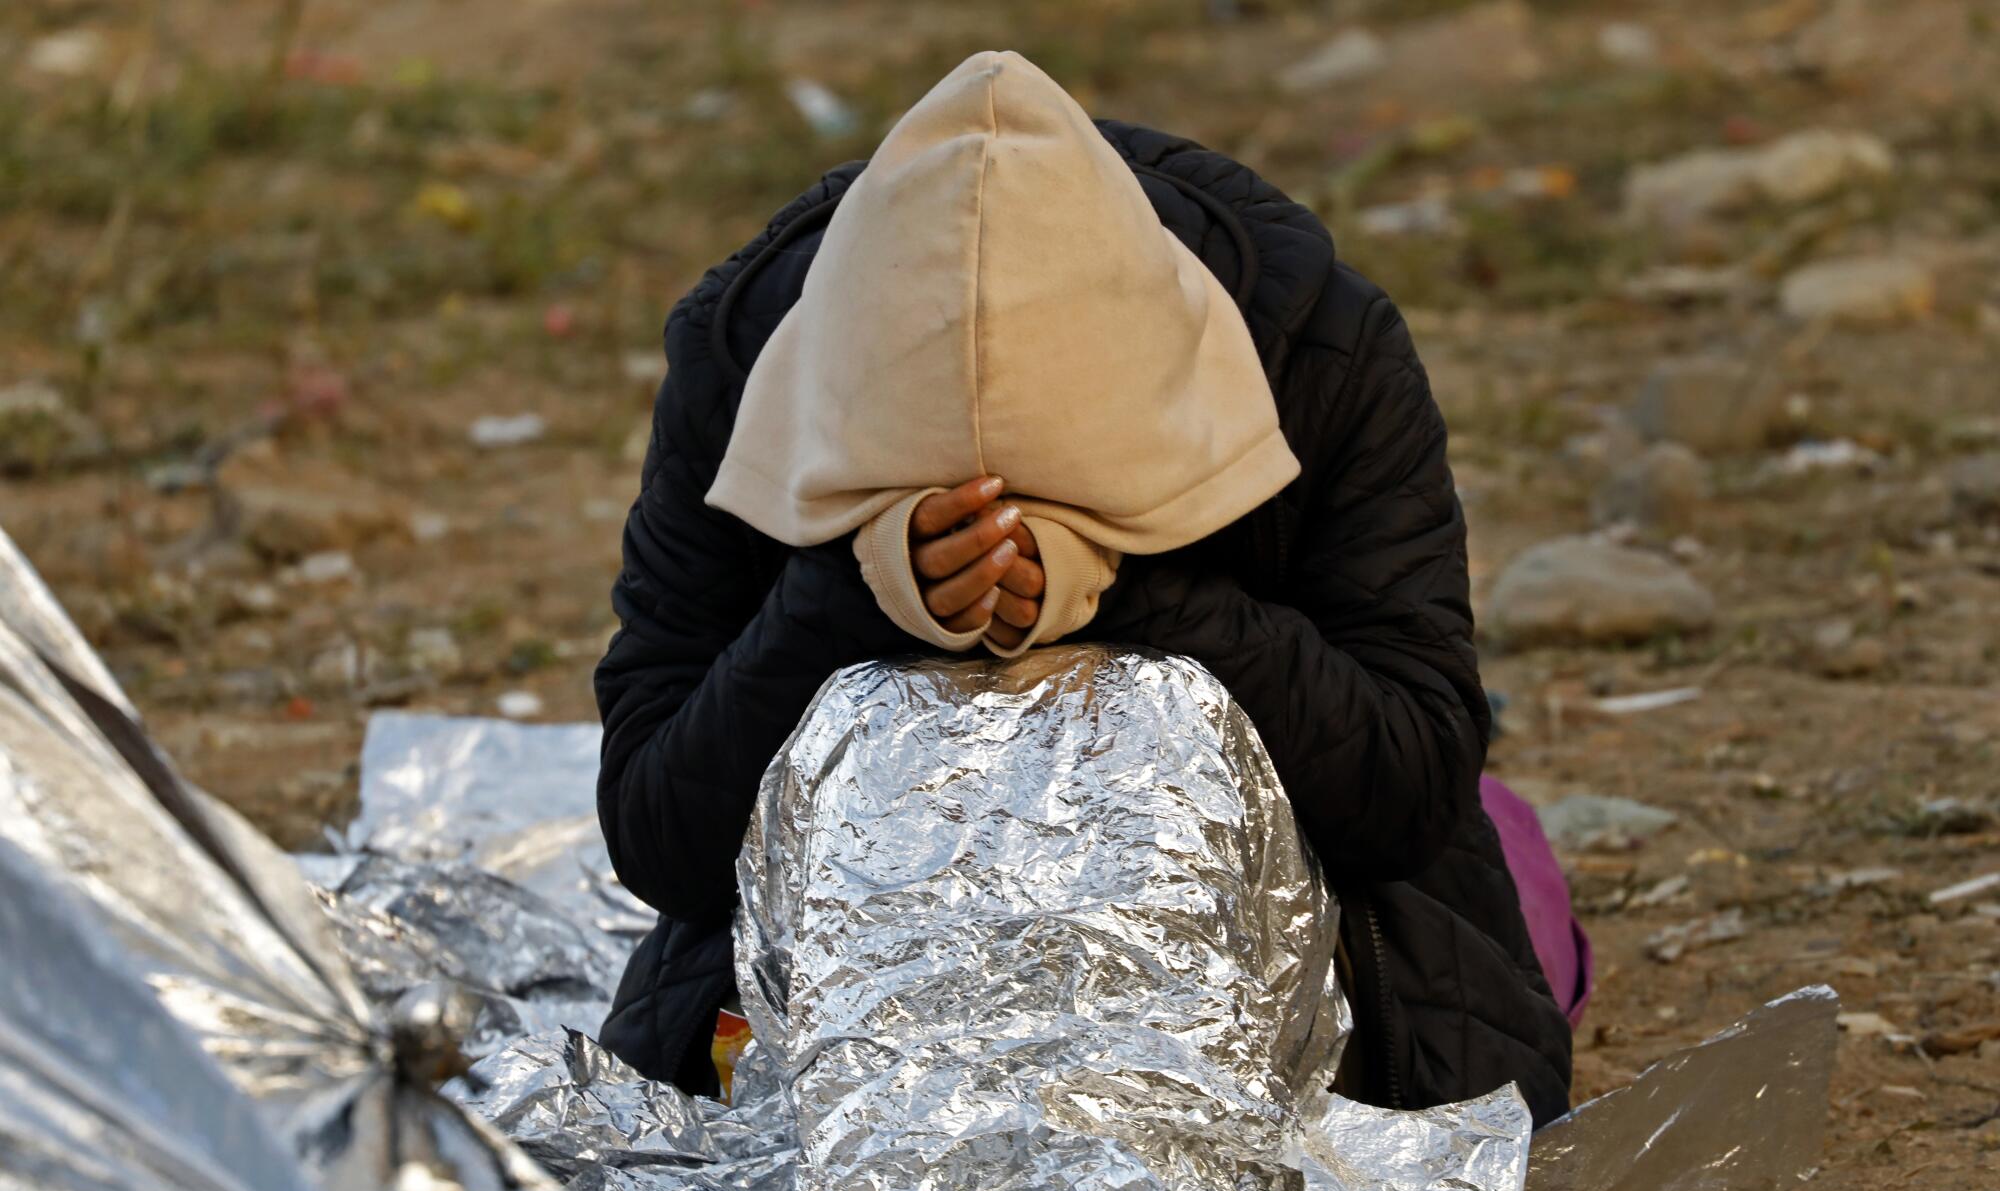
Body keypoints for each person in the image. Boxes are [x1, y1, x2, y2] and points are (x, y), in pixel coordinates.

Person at [594, 52, 1573, 1125]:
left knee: (1501, 845)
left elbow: (1410, 791)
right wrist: (851, 588)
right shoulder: (746, 360)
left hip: (1266, 993)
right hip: (841, 1035)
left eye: (1041, 496)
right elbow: (659, 837)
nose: (994, 529)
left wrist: (1126, 582)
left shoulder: (1314, 354)